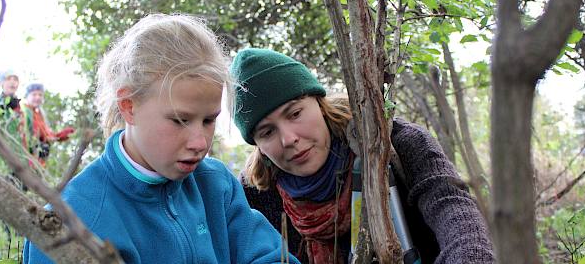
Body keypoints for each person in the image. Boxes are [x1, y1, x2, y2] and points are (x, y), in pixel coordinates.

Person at [24, 14, 298, 264]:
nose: (200, 143)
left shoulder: (216, 184)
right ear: (129, 106)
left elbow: (271, 257)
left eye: (208, 120)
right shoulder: (74, 217)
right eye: (180, 120)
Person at [231, 48, 495, 264]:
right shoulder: (254, 194)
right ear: (256, 144)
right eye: (267, 132)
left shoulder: (395, 143)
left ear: (319, 103)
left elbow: (454, 212)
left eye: (295, 113)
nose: (289, 139)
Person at [21, 83, 74, 166]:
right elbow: (33, 135)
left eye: (40, 95)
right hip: (27, 158)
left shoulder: (39, 114)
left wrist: (59, 135)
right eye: (34, 94)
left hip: (38, 160)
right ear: (27, 96)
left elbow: (47, 134)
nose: (37, 97)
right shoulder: (24, 111)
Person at [0, 69, 25, 172]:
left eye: (15, 79)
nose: (12, 82)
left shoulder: (22, 109)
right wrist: (3, 109)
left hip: (21, 160)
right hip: (1, 159)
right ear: (2, 83)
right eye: (9, 79)